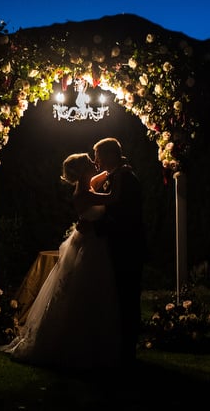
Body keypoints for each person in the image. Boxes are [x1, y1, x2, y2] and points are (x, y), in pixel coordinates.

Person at [0, 153, 122, 370]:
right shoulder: (83, 193)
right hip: (89, 246)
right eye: (90, 162)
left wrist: (113, 169)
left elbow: (102, 177)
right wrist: (121, 175)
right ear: (83, 170)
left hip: (94, 243)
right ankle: (77, 345)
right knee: (82, 292)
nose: (95, 164)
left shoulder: (88, 184)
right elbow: (112, 197)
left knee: (91, 291)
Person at [92, 137, 146, 366]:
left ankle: (128, 350)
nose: (96, 161)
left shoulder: (127, 178)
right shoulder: (117, 175)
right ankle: (120, 346)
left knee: (127, 296)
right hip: (118, 246)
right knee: (118, 296)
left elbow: (125, 217)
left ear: (110, 155)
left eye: (99, 156)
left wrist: (96, 226)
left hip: (127, 247)